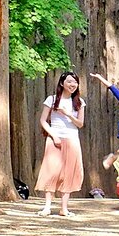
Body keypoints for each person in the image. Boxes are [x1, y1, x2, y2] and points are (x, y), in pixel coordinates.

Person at [35, 71, 86, 217]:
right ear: (62, 83)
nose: (72, 84)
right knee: (51, 170)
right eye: (69, 81)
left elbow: (80, 124)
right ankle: (47, 207)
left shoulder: (79, 102)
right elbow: (43, 120)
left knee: (69, 172)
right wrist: (54, 136)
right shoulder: (51, 99)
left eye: (75, 82)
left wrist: (68, 113)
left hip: (72, 139)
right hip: (55, 139)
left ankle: (64, 208)